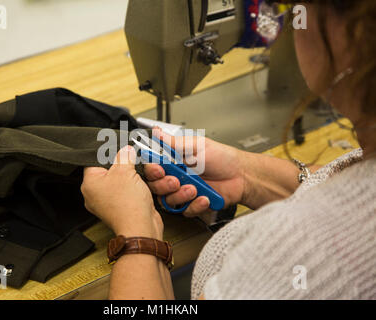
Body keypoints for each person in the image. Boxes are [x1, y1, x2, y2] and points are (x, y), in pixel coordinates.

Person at [81, 0, 376, 299]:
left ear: (349, 33)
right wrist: (248, 176)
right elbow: (349, 192)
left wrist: (136, 232)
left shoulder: (304, 255)